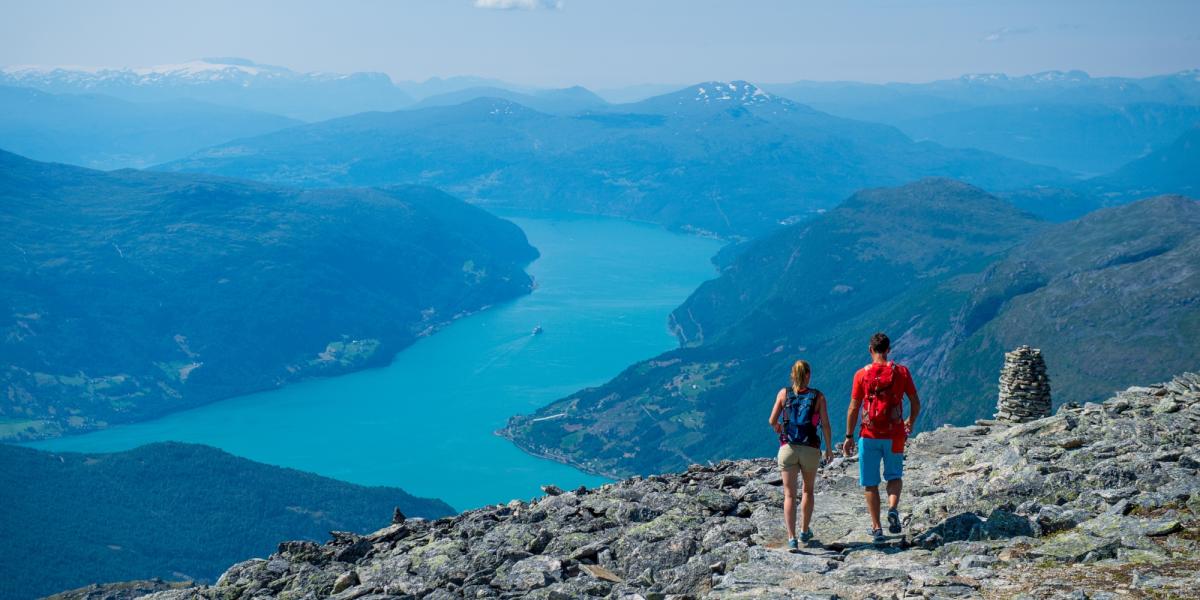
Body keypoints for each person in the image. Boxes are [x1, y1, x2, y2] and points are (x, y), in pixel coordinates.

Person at [841, 332, 920, 544]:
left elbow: (853, 407)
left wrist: (849, 436)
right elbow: (915, 402)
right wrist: (909, 422)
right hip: (894, 435)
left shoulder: (861, 375)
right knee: (894, 476)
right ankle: (892, 508)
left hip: (868, 435)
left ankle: (877, 529)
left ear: (870, 350)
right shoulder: (902, 372)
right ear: (889, 350)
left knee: (870, 484)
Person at [768, 359, 835, 549]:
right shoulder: (818, 397)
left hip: (788, 448)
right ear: (808, 375)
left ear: (792, 375)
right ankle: (805, 531)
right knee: (808, 490)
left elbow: (772, 420)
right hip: (810, 449)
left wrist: (780, 428)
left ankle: (791, 537)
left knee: (789, 495)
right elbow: (826, 425)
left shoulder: (784, 394)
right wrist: (829, 448)